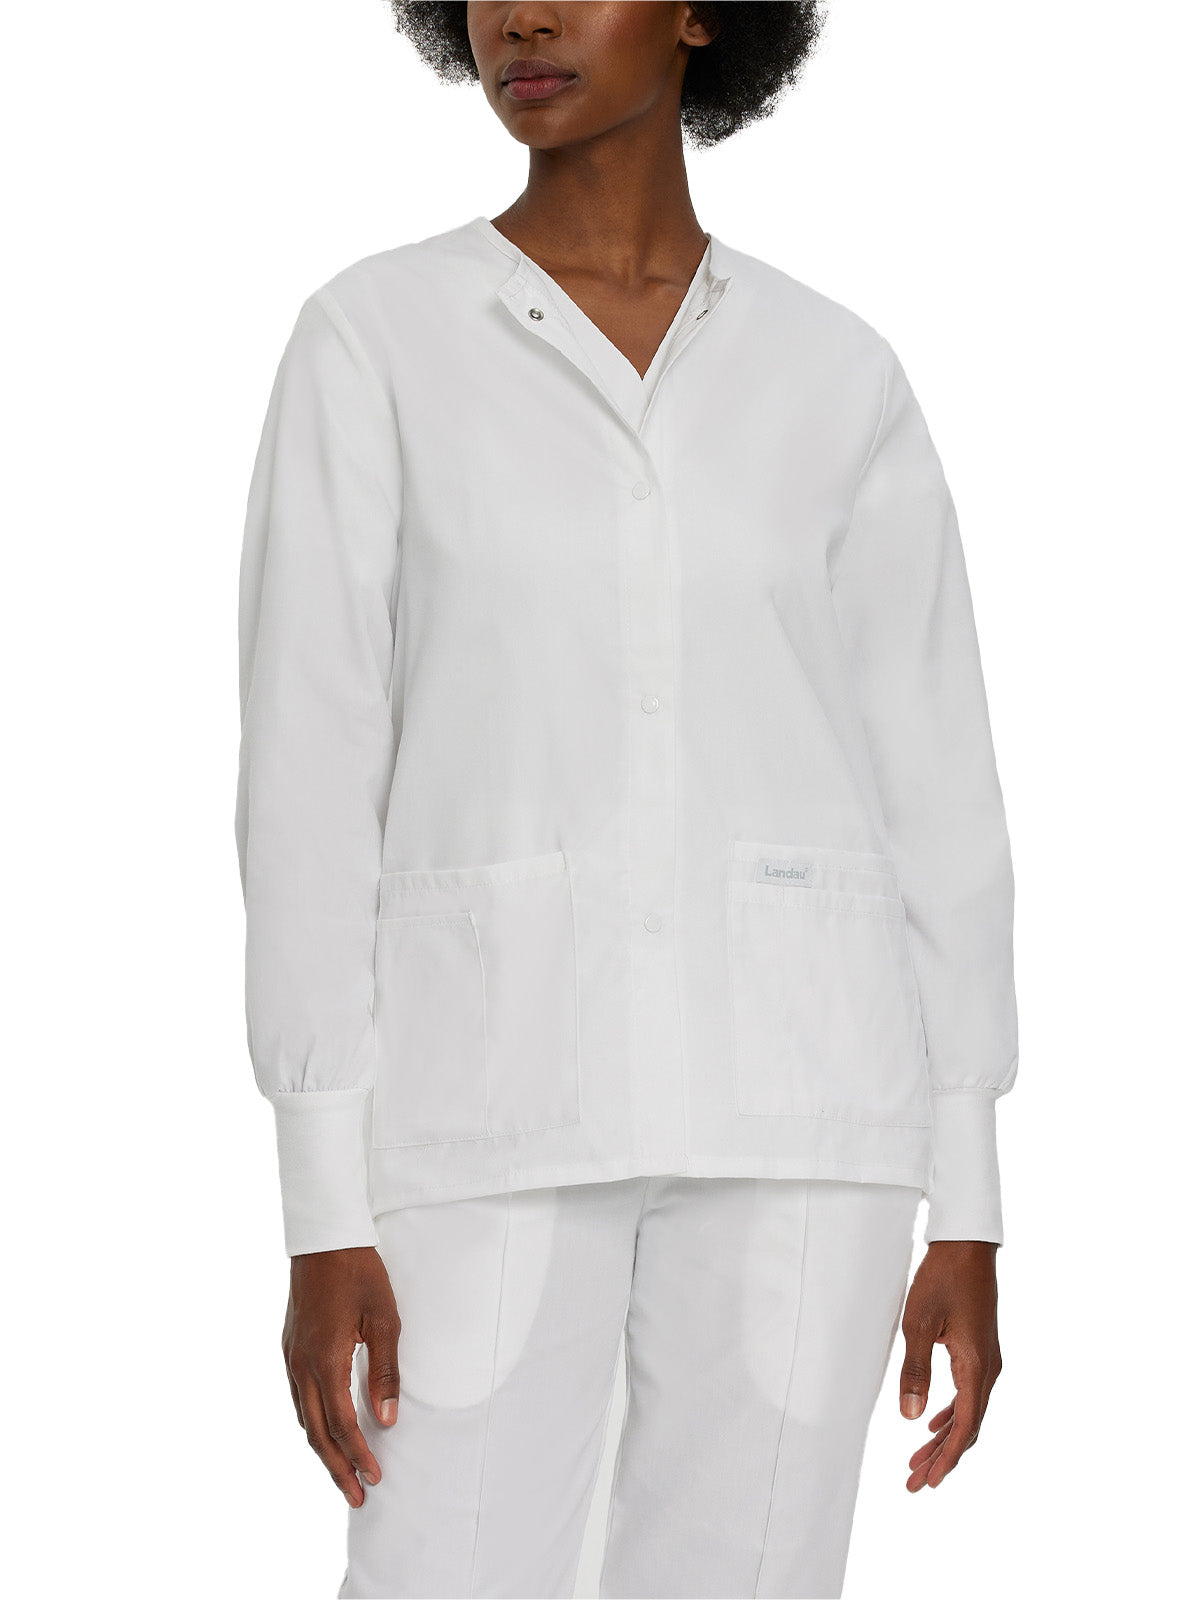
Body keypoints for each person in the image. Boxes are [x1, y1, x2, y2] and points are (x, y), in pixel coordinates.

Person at [234, 4, 1019, 1596]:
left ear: (702, 11)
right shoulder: (376, 342)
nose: (520, 16)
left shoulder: (834, 375)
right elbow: (307, 771)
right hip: (485, 1103)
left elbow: (936, 783)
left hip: (807, 1111)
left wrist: (969, 1188)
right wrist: (322, 1202)